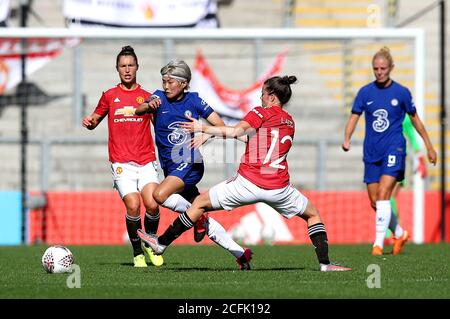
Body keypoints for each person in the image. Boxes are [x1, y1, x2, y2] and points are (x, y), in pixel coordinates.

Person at [138, 75, 352, 272]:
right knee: (313, 214)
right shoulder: (289, 121)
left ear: (271, 96)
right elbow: (257, 142)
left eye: (262, 94)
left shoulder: (260, 112)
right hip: (279, 188)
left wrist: (203, 129)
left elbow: (236, 131)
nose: (260, 97)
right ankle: (325, 264)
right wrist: (222, 134)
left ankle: (162, 243)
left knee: (199, 204)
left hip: (248, 183)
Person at [135, 59, 253, 270]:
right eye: (164, 81)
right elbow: (139, 109)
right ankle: (240, 254)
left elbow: (221, 126)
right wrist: (146, 105)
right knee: (197, 211)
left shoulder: (195, 101)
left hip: (189, 162)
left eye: (171, 82)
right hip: (171, 166)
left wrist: (206, 133)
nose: (166, 86)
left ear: (183, 83)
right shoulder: (158, 97)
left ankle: (196, 218)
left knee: (159, 195)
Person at [342, 46, 437, 255]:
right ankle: (400, 233)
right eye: (375, 68)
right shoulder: (365, 92)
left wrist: (428, 146)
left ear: (391, 68)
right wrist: (347, 138)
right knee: (375, 201)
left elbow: (415, 119)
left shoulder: (401, 93)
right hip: (371, 151)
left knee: (385, 195)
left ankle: (377, 244)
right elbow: (354, 117)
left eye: (383, 68)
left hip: (394, 148)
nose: (379, 72)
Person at [82, 46, 163, 268]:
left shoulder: (148, 98)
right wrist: (89, 123)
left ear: (137, 67)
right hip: (121, 162)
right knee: (133, 204)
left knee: (153, 204)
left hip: (146, 159)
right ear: (117, 69)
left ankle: (151, 243)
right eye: (123, 66)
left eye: (130, 65)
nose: (127, 70)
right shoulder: (109, 96)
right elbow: (95, 119)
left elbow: (160, 127)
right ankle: (137, 252)